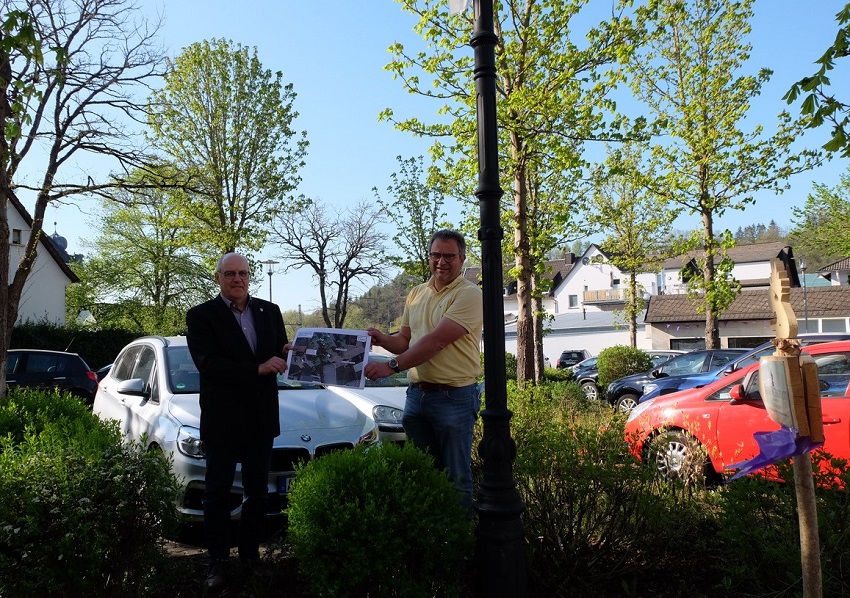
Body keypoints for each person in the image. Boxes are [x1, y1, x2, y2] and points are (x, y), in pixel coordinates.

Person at [186, 252, 289, 594]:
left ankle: (250, 558)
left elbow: (279, 351)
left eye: (243, 273)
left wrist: (301, 350)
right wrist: (257, 369)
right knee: (216, 494)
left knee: (257, 493)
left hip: (260, 419)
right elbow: (209, 364)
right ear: (218, 278)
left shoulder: (269, 311)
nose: (238, 279)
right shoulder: (201, 316)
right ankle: (217, 560)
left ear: (250, 276)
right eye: (230, 274)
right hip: (223, 419)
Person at [364, 229, 483, 511]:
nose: (441, 261)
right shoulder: (416, 294)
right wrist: (382, 339)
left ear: (462, 259)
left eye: (449, 256)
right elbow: (405, 341)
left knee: (456, 478)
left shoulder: (470, 294)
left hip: (454, 397)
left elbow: (435, 342)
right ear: (429, 257)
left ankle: (459, 547)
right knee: (425, 475)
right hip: (417, 396)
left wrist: (390, 367)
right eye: (436, 255)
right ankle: (433, 543)